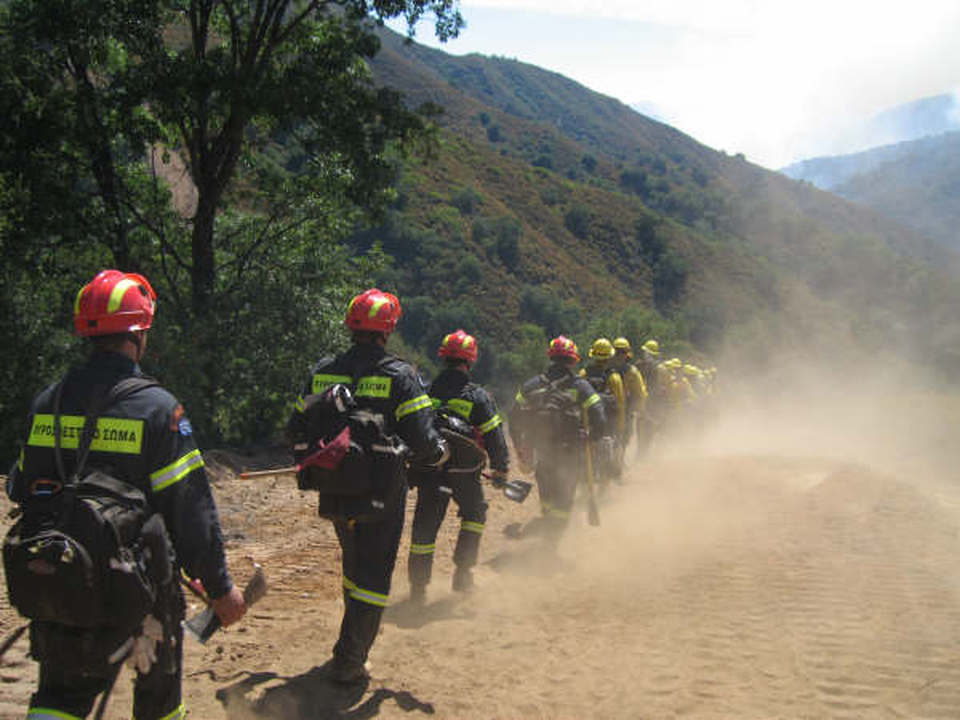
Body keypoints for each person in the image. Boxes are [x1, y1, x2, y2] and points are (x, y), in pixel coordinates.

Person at [6, 269, 246, 720]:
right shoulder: (159, 409)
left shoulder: (48, 401)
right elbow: (190, 509)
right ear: (139, 333)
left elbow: (20, 487)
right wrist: (220, 588)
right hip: (138, 587)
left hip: (63, 571)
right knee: (158, 700)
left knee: (59, 697)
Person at [288, 288, 447, 683]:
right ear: (388, 329)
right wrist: (441, 453)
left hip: (335, 486)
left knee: (354, 561)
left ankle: (349, 644)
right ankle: (350, 659)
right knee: (374, 574)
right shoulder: (402, 376)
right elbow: (426, 442)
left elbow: (293, 427)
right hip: (382, 492)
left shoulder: (324, 371)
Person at [407, 329, 510, 602]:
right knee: (475, 515)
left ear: (443, 358)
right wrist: (501, 469)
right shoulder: (477, 396)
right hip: (464, 473)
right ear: (471, 360)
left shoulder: (426, 391)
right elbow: (494, 434)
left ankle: (417, 591)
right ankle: (463, 576)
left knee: (424, 529)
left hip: (431, 470)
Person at [509, 336, 606, 549]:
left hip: (543, 454)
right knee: (564, 501)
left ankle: (547, 530)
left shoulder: (531, 385)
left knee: (548, 499)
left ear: (551, 357)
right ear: (573, 361)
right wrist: (592, 437)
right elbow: (599, 415)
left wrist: (519, 449)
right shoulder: (581, 386)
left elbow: (513, 418)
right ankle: (550, 544)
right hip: (570, 454)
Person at [579, 338, 626, 483]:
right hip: (607, 425)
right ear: (609, 357)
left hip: (587, 422)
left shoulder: (583, 374)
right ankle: (607, 484)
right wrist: (620, 427)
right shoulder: (614, 377)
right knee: (608, 455)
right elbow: (620, 403)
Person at [611, 337, 648, 468]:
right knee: (619, 435)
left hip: (625, 408)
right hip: (612, 407)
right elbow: (641, 392)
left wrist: (640, 409)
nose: (620, 355)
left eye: (622, 352)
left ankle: (619, 461)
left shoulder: (631, 371)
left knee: (624, 436)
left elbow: (640, 392)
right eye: (618, 352)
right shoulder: (631, 371)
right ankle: (615, 463)